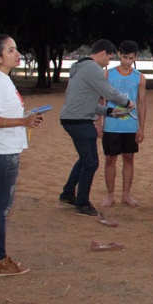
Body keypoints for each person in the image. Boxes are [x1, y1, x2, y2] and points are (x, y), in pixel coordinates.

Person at [0, 34, 45, 277]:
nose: (17, 54)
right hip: (2, 152)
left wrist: (27, 118)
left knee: (2, 207)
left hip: (6, 149)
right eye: (11, 50)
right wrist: (23, 120)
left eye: (16, 49)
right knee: (1, 209)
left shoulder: (2, 80)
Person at [59, 40, 134, 217]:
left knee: (85, 159)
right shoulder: (92, 68)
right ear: (102, 53)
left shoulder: (81, 68)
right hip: (79, 121)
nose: (109, 62)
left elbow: (87, 102)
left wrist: (110, 112)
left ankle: (68, 193)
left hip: (73, 118)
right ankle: (82, 204)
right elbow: (109, 92)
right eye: (109, 57)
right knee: (91, 163)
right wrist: (126, 102)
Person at [99, 40, 147, 209]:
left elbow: (141, 103)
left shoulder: (139, 77)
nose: (127, 61)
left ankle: (126, 194)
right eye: (125, 57)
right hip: (111, 125)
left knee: (129, 158)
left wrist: (141, 128)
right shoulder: (108, 74)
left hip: (130, 126)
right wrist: (99, 123)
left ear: (135, 58)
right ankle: (110, 195)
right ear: (119, 54)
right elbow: (101, 99)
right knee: (110, 159)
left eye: (131, 58)